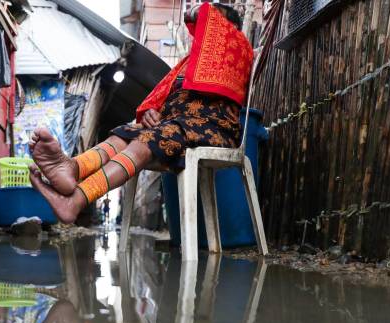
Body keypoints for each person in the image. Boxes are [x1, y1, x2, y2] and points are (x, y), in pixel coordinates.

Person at [29, 2, 253, 224]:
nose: (205, 28)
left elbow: (196, 12)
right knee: (124, 133)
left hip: (213, 130)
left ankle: (76, 200)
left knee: (145, 140)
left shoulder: (239, 48)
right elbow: (163, 99)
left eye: (214, 21)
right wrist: (152, 113)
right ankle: (74, 168)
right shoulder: (190, 63)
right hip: (177, 128)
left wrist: (200, 10)